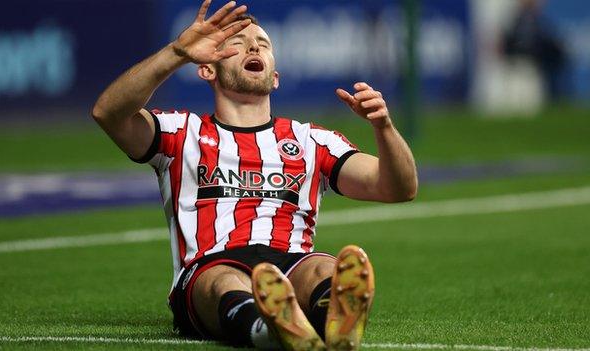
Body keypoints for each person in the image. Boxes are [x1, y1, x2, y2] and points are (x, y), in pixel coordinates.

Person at [92, 1, 417, 350]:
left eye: (262, 43)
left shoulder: (312, 141)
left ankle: (333, 327)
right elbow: (108, 113)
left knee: (326, 269)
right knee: (224, 282)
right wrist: (176, 53)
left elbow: (398, 187)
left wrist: (383, 127)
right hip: (210, 265)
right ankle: (268, 330)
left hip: (291, 265)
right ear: (207, 70)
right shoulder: (180, 133)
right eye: (239, 41)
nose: (253, 46)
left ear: (274, 78)